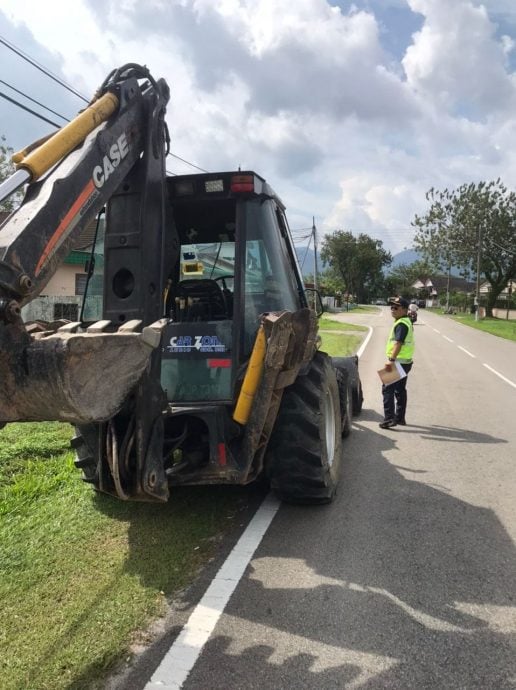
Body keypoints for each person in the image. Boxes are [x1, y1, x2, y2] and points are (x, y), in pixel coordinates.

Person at [379, 296, 415, 429]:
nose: (392, 310)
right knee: (400, 390)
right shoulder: (406, 321)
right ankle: (400, 418)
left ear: (405, 310)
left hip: (398, 361)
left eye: (396, 307)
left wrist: (391, 360)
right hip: (405, 362)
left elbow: (398, 343)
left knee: (387, 388)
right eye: (391, 307)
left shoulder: (401, 324)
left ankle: (389, 419)